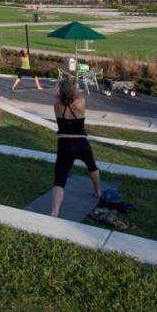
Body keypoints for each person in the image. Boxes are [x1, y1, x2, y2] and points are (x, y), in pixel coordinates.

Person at [49, 78, 101, 218]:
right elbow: (77, 92)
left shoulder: (56, 104)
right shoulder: (80, 102)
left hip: (64, 144)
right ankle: (97, 192)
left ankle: (54, 212)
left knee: (60, 178)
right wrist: (70, 81)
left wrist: (62, 82)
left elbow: (57, 93)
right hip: (81, 143)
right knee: (92, 166)